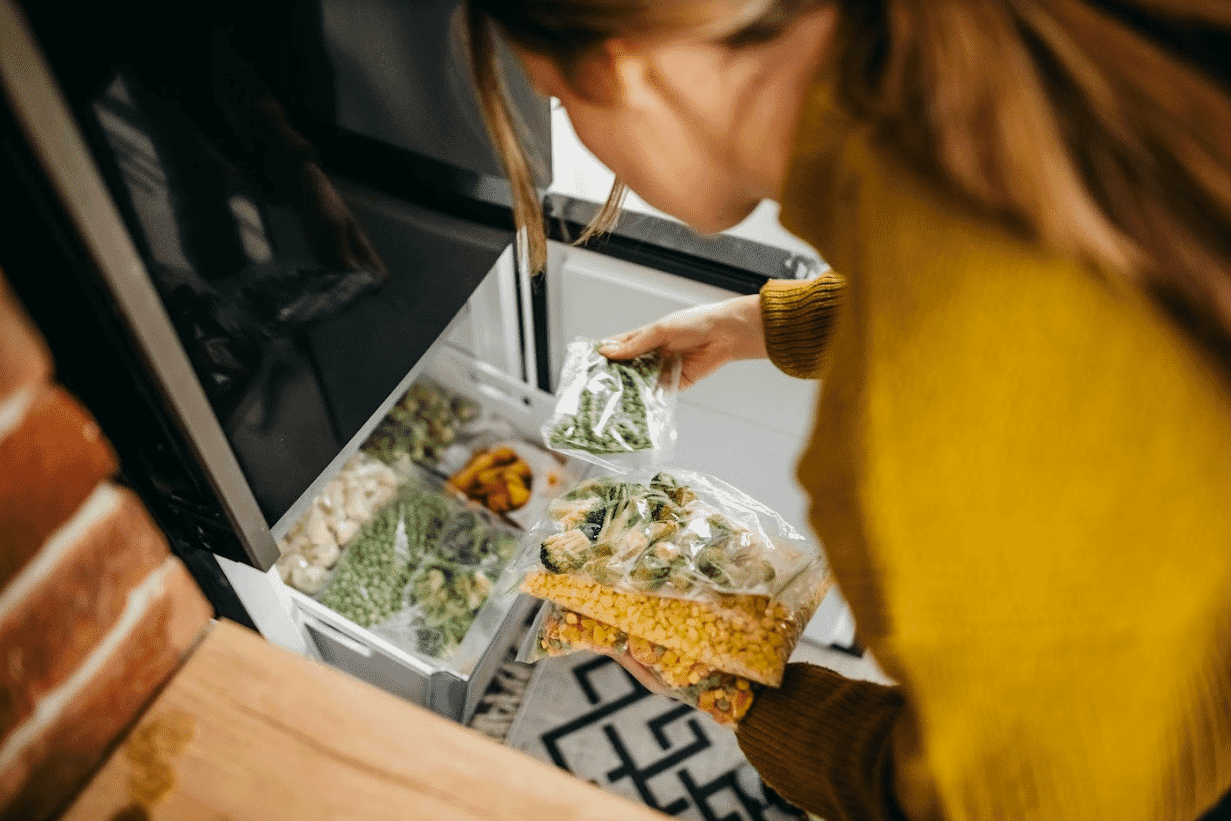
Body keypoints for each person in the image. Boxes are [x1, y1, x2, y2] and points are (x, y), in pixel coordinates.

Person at [464, 2, 1231, 820]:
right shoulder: (1022, 72)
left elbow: (1020, 808)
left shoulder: (947, 405)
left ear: (627, 71)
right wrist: (759, 321)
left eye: (556, 99)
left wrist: (734, 687)